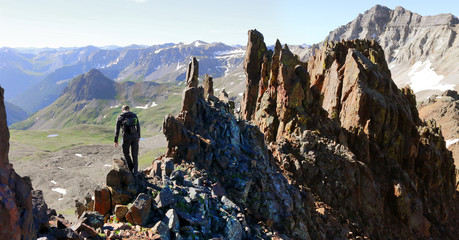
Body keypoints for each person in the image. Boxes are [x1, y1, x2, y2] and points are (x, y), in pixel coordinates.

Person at [114, 105, 140, 174]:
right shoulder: (134, 115)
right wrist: (139, 137)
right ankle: (136, 171)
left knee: (126, 153)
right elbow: (138, 126)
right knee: (135, 154)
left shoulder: (120, 117)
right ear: (129, 109)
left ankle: (131, 167)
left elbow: (117, 129)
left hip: (126, 138)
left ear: (122, 110)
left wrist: (115, 140)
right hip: (135, 137)